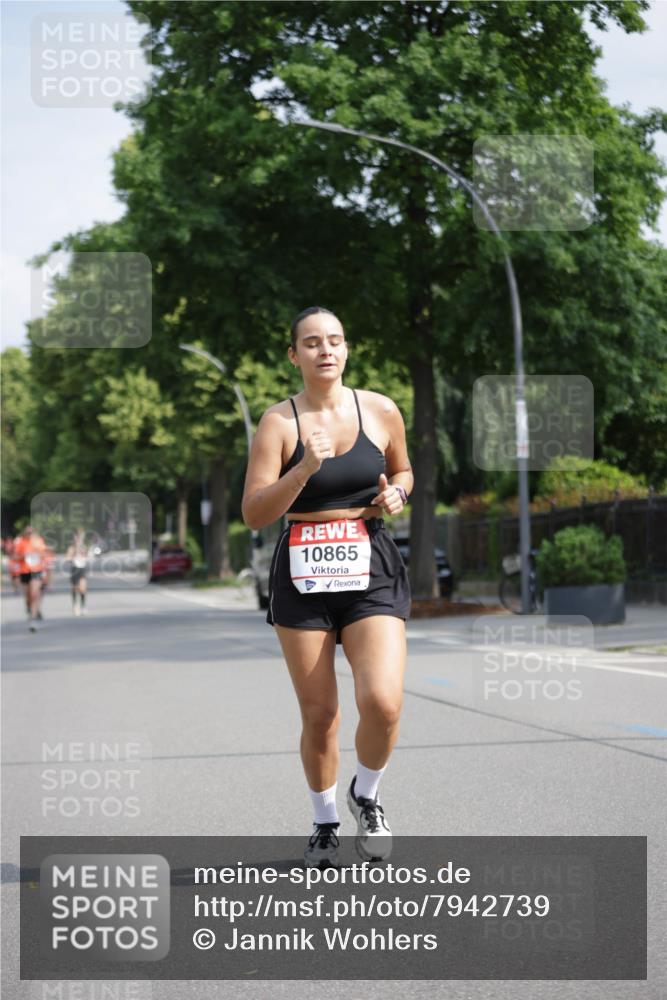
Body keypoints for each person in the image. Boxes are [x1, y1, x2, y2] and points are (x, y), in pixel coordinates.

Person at [242, 306, 413, 868]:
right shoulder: (279, 423)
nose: (326, 351)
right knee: (321, 715)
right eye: (312, 343)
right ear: (294, 355)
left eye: (335, 340)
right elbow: (254, 513)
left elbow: (404, 471)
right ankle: (324, 821)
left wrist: (398, 494)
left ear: (346, 349)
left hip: (370, 564)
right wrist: (303, 470)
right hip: (303, 570)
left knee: (383, 704)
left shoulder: (381, 409)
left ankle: (367, 793)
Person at [12, 524, 48, 631]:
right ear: (24, 533)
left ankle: (33, 619)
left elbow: (44, 554)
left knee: (34, 593)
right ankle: (29, 608)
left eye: (31, 532)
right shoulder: (20, 542)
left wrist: (37, 553)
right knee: (28, 596)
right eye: (27, 532)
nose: (29, 534)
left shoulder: (39, 541)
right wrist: (23, 555)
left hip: (36, 570)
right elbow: (14, 556)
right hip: (25, 571)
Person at [66, 530, 90, 616]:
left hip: (82, 569)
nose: (77, 541)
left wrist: (84, 555)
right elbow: (67, 558)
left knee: (83, 589)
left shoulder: (84, 547)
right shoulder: (71, 548)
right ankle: (75, 605)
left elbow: (87, 556)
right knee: (75, 589)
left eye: (79, 539)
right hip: (74, 569)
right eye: (76, 539)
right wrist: (73, 555)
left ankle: (83, 606)